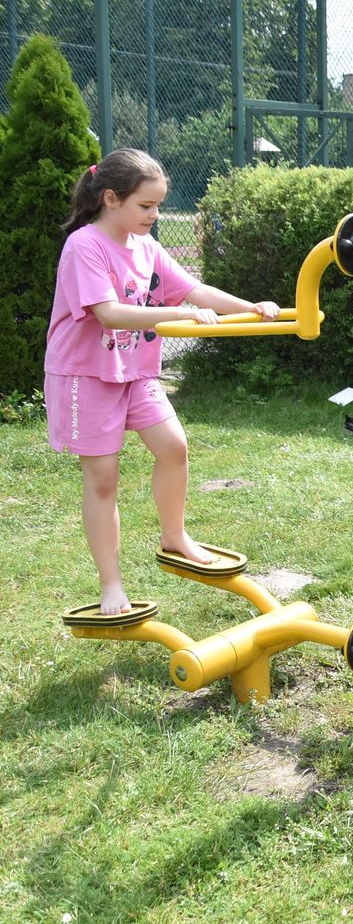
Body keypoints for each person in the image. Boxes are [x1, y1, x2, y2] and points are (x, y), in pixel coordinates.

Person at [45, 148, 282, 615]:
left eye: (157, 205)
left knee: (174, 447)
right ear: (110, 198)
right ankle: (112, 585)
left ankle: (174, 537)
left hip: (134, 372)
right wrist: (180, 314)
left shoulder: (147, 247)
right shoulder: (84, 246)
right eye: (146, 205)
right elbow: (109, 313)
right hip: (86, 375)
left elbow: (194, 289)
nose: (154, 215)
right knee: (103, 479)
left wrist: (251, 307)